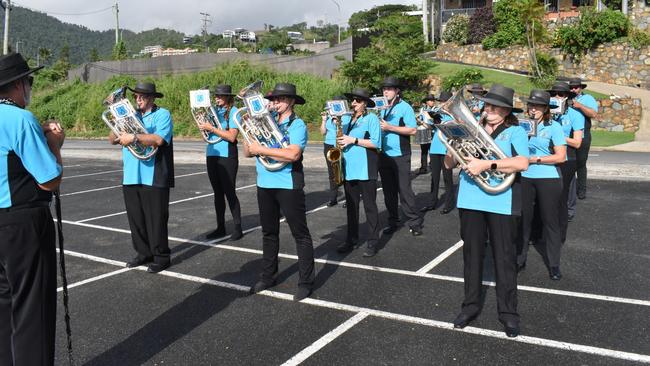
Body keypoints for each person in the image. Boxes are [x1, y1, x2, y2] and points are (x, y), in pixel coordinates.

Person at [446, 84, 529, 338]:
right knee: (472, 257)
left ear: (505, 111)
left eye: (494, 106)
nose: (488, 109)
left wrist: (487, 163)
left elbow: (521, 162)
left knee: (504, 259)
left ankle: (508, 313)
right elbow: (449, 164)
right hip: (470, 201)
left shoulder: (515, 131)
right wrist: (452, 144)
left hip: (501, 202)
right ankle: (469, 307)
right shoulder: (470, 131)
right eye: (486, 105)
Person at [0, 53, 64, 365]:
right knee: (32, 311)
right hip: (22, 223)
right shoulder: (20, 119)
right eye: (29, 81)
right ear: (16, 85)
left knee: (5, 308)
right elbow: (50, 180)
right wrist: (54, 144)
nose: (30, 86)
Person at [244, 83, 315, 301]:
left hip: (288, 184)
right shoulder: (266, 121)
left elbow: (293, 154)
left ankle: (305, 282)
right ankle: (268, 276)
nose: (276, 103)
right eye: (274, 100)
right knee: (268, 232)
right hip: (265, 183)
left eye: (281, 99)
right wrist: (247, 129)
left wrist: (261, 149)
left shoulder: (298, 125)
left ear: (292, 101)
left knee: (300, 235)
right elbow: (248, 152)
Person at [109, 81, 174, 274]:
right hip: (131, 175)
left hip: (154, 175)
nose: (138, 99)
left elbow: (159, 139)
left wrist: (135, 138)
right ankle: (143, 252)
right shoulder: (129, 116)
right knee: (136, 219)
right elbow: (112, 139)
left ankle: (161, 256)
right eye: (136, 96)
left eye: (142, 96)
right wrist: (116, 118)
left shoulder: (163, 114)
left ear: (152, 98)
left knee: (157, 219)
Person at [516, 90, 567, 280]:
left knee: (550, 222)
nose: (533, 109)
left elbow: (561, 156)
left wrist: (535, 159)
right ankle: (520, 259)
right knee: (523, 220)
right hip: (525, 177)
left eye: (537, 106)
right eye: (531, 105)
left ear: (546, 108)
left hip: (548, 178)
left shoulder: (554, 127)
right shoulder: (521, 126)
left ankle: (554, 264)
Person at [334, 88, 382, 257]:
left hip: (366, 168)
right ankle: (351, 239)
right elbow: (339, 139)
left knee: (370, 207)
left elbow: (376, 143)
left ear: (365, 104)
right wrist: (336, 125)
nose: (353, 103)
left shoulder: (372, 119)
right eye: (353, 100)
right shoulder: (346, 119)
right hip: (349, 169)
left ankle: (373, 241)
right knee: (351, 208)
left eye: (358, 101)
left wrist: (353, 140)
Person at [377, 76, 424, 236]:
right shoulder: (380, 108)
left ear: (397, 91)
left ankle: (414, 222)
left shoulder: (405, 107)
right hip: (383, 155)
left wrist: (390, 127)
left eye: (389, 89)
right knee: (388, 192)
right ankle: (393, 221)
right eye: (384, 89)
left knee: (404, 190)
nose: (386, 91)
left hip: (400, 155)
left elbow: (412, 130)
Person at [198, 84, 243, 241]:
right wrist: (203, 127)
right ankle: (220, 227)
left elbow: (232, 137)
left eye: (219, 96)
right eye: (215, 96)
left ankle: (238, 227)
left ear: (227, 97)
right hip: (212, 154)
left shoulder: (234, 112)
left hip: (227, 155)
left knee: (229, 192)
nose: (216, 98)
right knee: (217, 193)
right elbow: (207, 133)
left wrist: (211, 128)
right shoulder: (215, 111)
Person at [548, 82, 584, 244]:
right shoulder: (545, 113)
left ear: (567, 97)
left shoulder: (575, 115)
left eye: (561, 94)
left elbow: (577, 143)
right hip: (547, 156)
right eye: (554, 93)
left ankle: (559, 235)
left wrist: (557, 135)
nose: (557, 97)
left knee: (561, 197)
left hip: (567, 158)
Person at [420, 90, 455, 214]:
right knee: (434, 178)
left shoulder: (453, 115)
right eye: (441, 101)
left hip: (447, 149)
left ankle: (449, 204)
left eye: (444, 102)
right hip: (435, 147)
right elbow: (429, 127)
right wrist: (428, 120)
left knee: (447, 178)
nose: (442, 104)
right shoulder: (437, 113)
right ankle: (432, 203)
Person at [568, 77, 598, 200]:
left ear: (580, 88)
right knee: (567, 164)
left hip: (583, 135)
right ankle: (568, 190)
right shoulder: (565, 98)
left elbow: (593, 114)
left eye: (576, 87)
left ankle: (581, 190)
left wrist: (579, 106)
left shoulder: (588, 98)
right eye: (571, 87)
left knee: (581, 164)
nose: (573, 89)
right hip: (567, 136)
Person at [320, 95, 350, 207]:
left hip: (341, 144)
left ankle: (349, 198)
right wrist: (324, 120)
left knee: (343, 171)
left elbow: (344, 130)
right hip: (328, 144)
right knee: (332, 173)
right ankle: (333, 198)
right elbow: (323, 132)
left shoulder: (347, 116)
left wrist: (337, 119)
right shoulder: (328, 116)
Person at [415, 94, 435, 174]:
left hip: (432, 130)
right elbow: (420, 118)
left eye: (433, 100)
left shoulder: (435, 109)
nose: (432, 102)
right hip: (423, 130)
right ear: (427, 102)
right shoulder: (422, 109)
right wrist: (418, 120)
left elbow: (434, 120)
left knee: (432, 150)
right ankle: (423, 167)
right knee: (424, 150)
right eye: (430, 100)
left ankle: (432, 166)